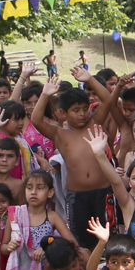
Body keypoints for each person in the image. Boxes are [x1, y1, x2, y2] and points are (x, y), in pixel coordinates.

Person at [31, 69, 120, 249]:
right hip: (77, 196)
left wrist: (90, 79)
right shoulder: (59, 134)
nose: (82, 114)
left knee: (109, 237)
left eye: (85, 109)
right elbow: (36, 120)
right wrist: (45, 94)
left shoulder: (95, 124)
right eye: (76, 110)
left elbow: (108, 100)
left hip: (103, 192)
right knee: (81, 239)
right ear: (63, 113)